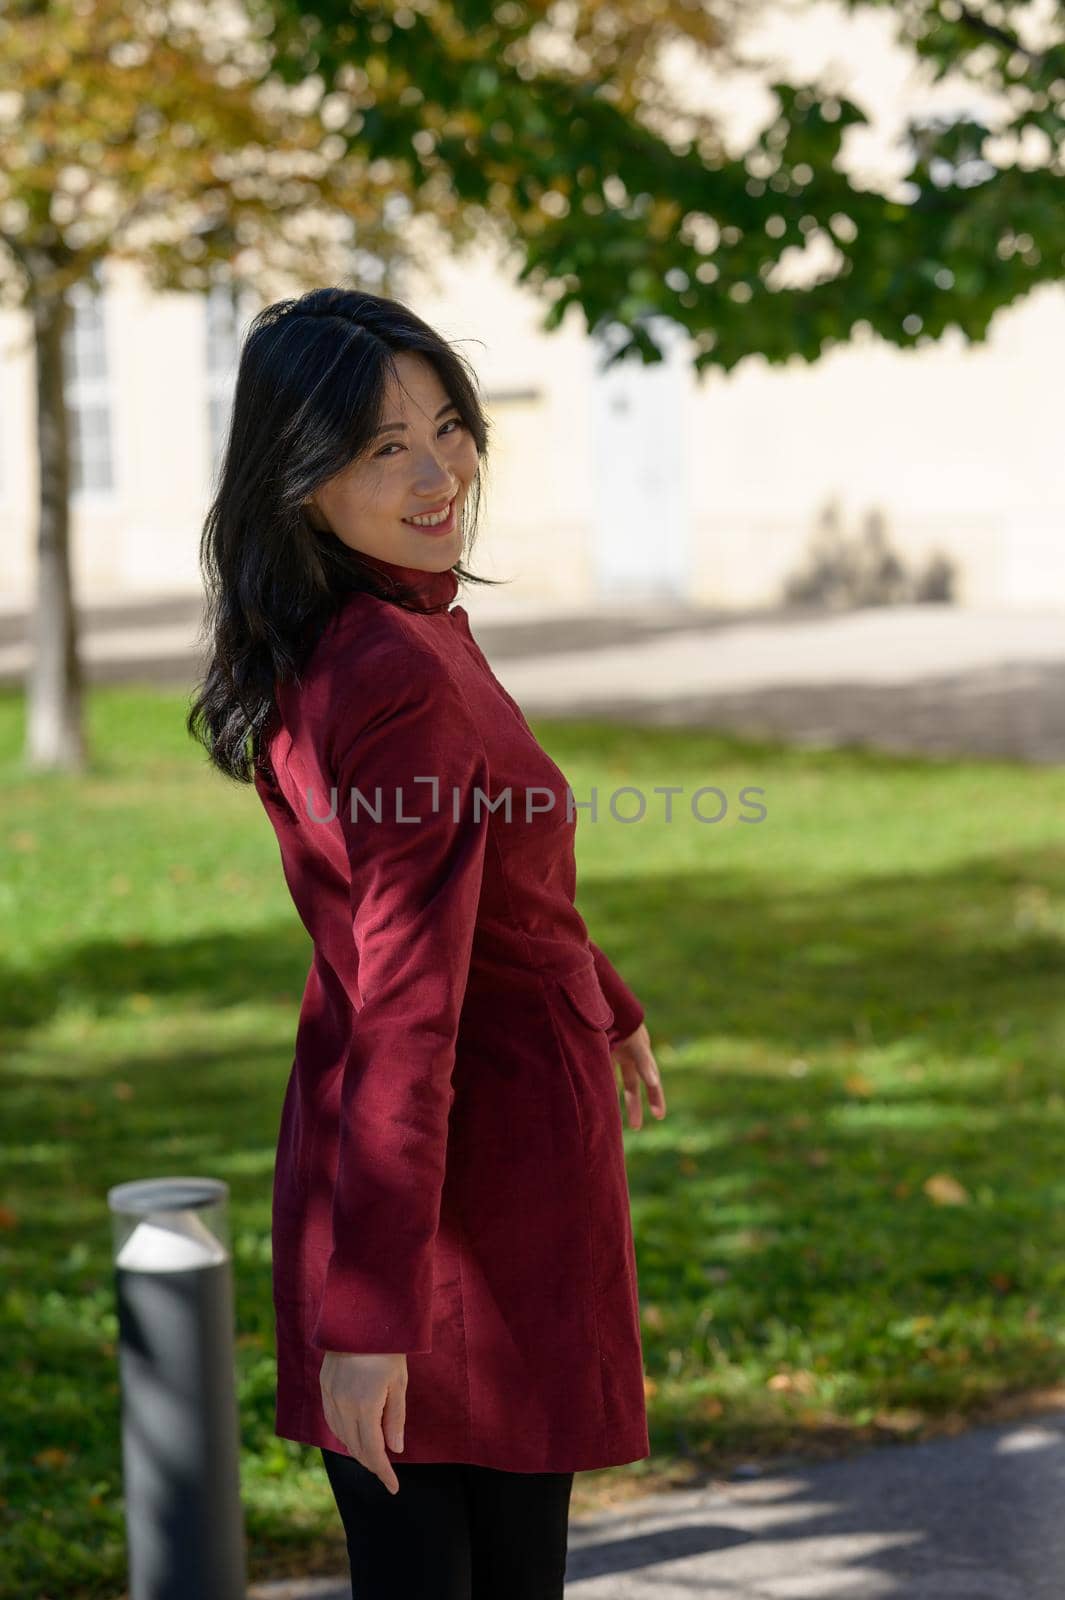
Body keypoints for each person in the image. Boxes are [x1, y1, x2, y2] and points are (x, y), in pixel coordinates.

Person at [187, 285, 667, 1598]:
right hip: (463, 1190)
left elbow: (491, 864)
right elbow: (408, 1001)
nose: (437, 470)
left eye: (447, 426)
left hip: (432, 1164)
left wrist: (605, 999)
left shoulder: (381, 630)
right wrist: (372, 1316)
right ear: (296, 475)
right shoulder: (393, 667)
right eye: (380, 444)